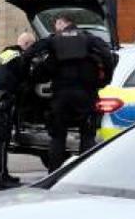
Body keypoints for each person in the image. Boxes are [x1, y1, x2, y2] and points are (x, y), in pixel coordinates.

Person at [26, 15, 114, 171]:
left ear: (62, 23)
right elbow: (109, 56)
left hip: (61, 98)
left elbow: (35, 59)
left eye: (56, 25)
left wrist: (30, 76)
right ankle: (85, 173)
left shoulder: (53, 42)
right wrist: (105, 80)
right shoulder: (89, 40)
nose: (55, 29)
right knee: (87, 137)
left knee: (58, 138)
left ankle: (54, 175)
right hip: (86, 96)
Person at [0, 31, 34, 189]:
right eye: (31, 48)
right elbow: (26, 82)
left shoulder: (7, 52)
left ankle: (3, 174)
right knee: (0, 139)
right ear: (27, 45)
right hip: (2, 99)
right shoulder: (20, 57)